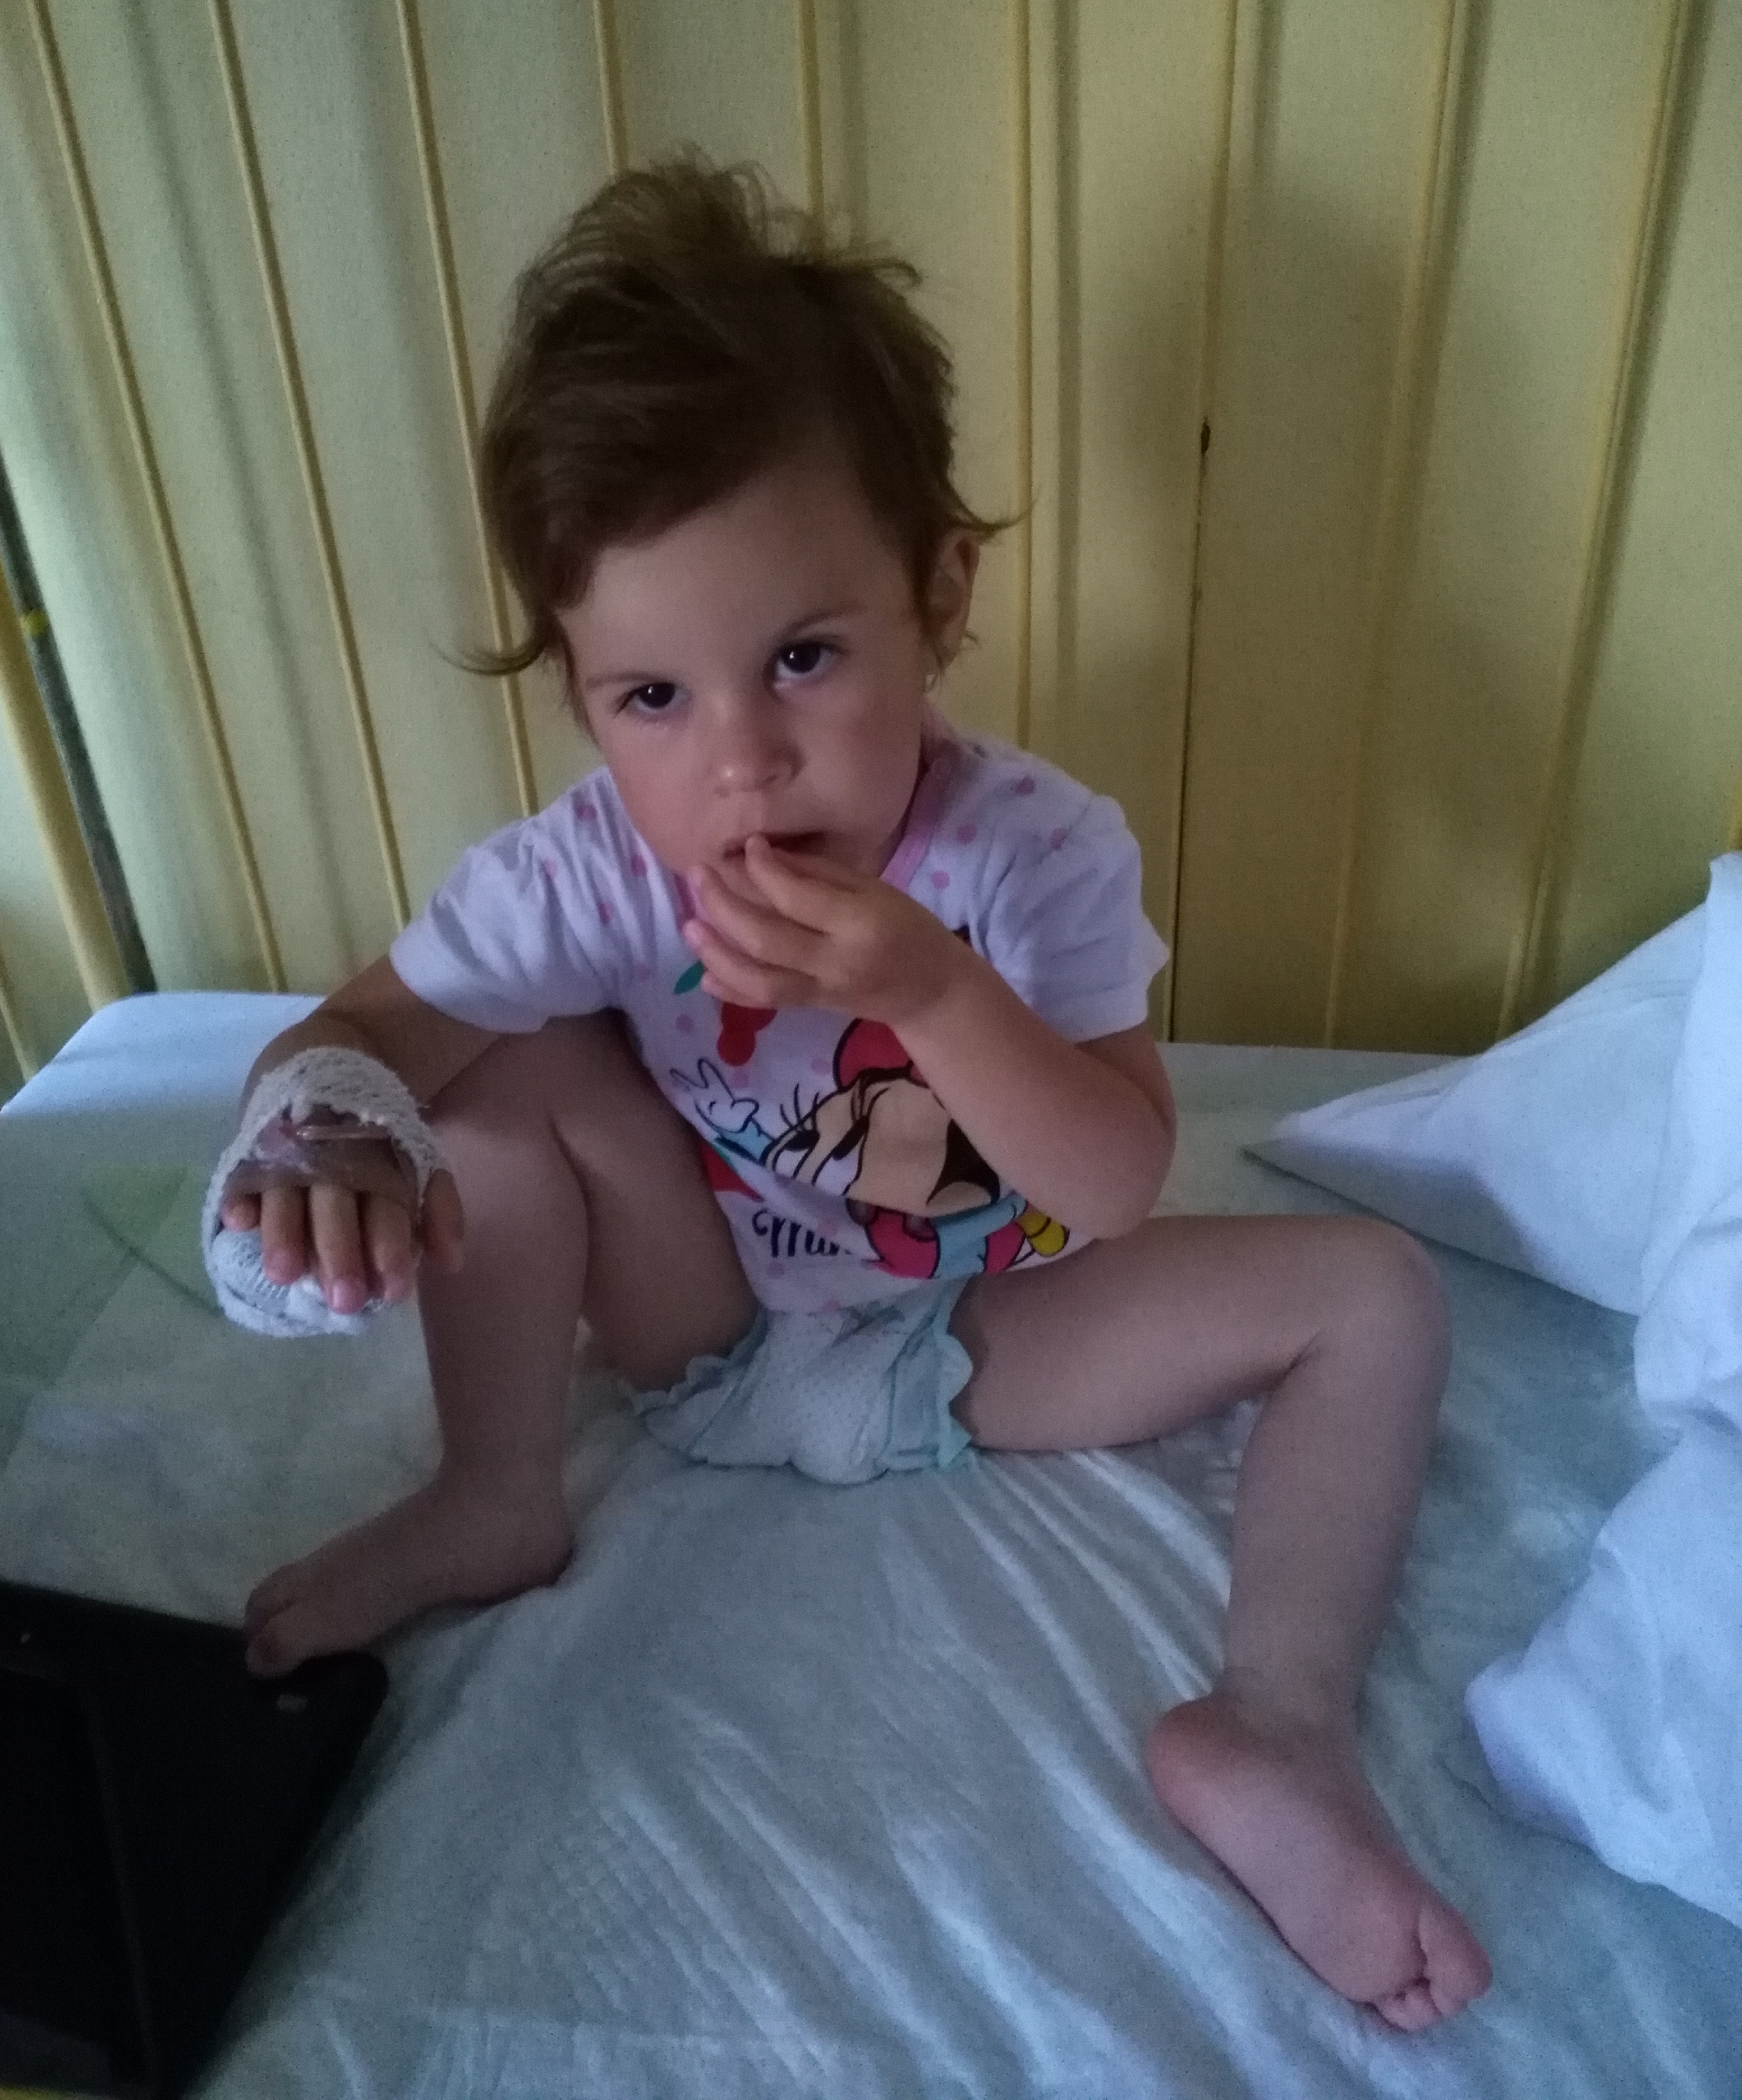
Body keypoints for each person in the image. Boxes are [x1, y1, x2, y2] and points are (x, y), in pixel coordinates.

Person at [212, 158, 1491, 2029]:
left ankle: (1275, 1726)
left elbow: (1116, 1181)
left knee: (1377, 1292)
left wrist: (934, 990)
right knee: (490, 1067)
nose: (742, 764)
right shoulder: (593, 872)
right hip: (703, 1321)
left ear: (939, 598)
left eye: (803, 659)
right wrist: (328, 1127)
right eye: (653, 698)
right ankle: (493, 1491)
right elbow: (362, 1026)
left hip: (987, 1321)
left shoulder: (1038, 856)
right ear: (579, 692)